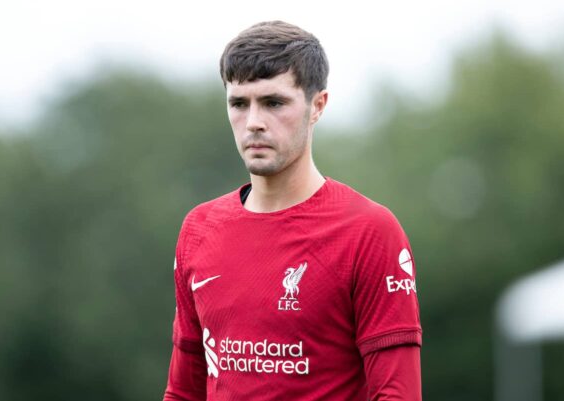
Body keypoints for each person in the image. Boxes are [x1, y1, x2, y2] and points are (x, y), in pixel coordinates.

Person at [163, 20, 422, 401]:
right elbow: (184, 391)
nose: (253, 122)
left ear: (317, 106)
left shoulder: (369, 231)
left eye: (273, 102)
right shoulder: (199, 229)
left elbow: (398, 395)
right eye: (239, 103)